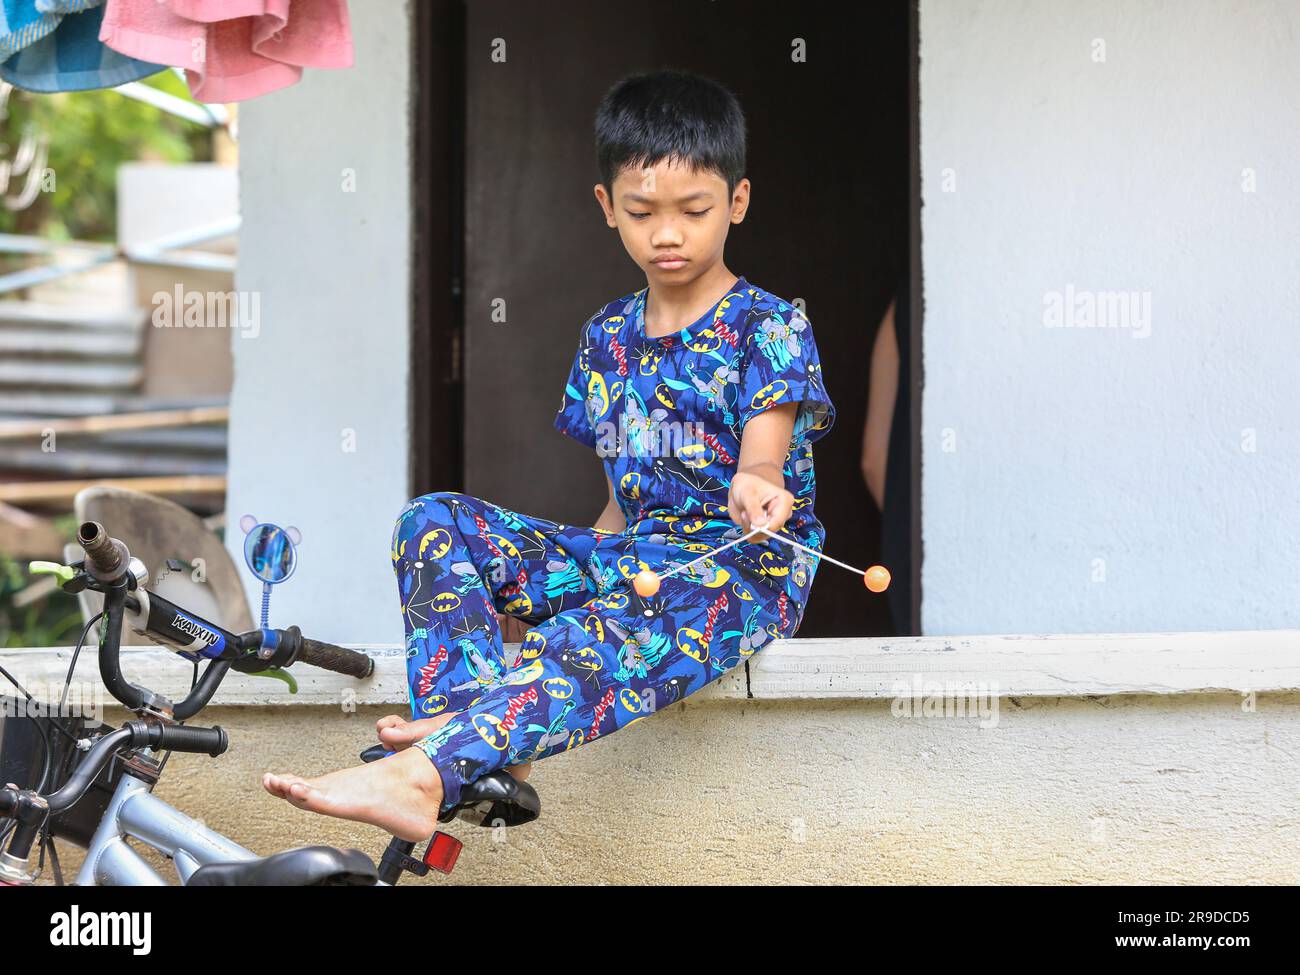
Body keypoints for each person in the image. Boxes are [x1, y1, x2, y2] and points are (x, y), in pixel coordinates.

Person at [262, 68, 837, 841]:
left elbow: (763, 458)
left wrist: (758, 484)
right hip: (635, 554)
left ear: (736, 202)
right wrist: (580, 577)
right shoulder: (605, 337)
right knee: (435, 522)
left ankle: (430, 767)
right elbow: (616, 508)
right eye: (642, 212)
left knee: (595, 628)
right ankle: (465, 734)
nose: (668, 233)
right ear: (607, 208)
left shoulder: (769, 326)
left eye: (695, 211)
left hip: (737, 569)